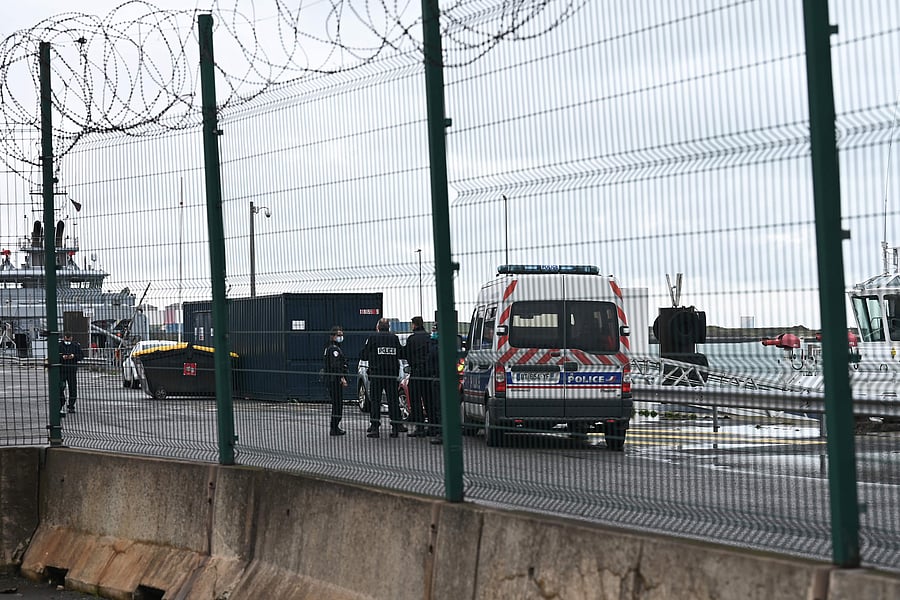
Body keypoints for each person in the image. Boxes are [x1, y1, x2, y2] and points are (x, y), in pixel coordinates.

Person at [360, 318, 405, 438]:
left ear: (378, 327)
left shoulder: (373, 338)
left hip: (376, 374)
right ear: (389, 327)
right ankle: (395, 427)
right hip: (391, 374)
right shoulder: (394, 338)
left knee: (375, 401)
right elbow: (401, 354)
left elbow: (364, 355)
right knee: (393, 401)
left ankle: (375, 427)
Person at [402, 316, 431, 437]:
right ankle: (432, 426)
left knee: (415, 400)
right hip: (428, 373)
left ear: (414, 325)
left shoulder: (412, 339)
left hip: (416, 372)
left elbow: (406, 354)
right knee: (429, 400)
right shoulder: (429, 337)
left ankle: (420, 428)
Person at [323, 325, 348, 436]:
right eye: (339, 335)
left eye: (342, 335)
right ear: (333, 336)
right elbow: (335, 365)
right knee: (337, 404)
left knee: (337, 404)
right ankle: (334, 427)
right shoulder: (334, 349)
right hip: (335, 380)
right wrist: (342, 378)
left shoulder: (331, 348)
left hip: (332, 379)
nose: (341, 337)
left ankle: (335, 426)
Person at [425, 324, 443, 444]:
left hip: (437, 377)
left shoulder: (436, 346)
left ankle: (441, 433)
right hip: (442, 378)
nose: (432, 333)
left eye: (434, 330)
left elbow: (431, 357)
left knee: (439, 407)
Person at [59, 332, 83, 414]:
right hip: (62, 370)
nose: (68, 340)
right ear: (64, 337)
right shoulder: (59, 346)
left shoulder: (75, 346)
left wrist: (74, 356)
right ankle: (61, 402)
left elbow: (81, 356)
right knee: (60, 387)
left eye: (69, 338)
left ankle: (71, 405)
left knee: (73, 389)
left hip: (72, 370)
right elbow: (54, 356)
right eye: (66, 338)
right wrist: (62, 357)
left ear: (71, 338)